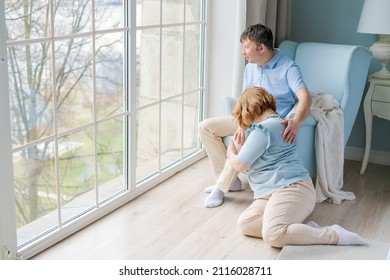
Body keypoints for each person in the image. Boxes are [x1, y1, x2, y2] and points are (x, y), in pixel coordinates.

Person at [204, 86, 366, 248]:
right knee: (246, 224)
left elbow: (240, 164)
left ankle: (333, 235)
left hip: (292, 189)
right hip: (271, 194)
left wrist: (231, 153)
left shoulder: (263, 130)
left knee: (273, 236)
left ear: (249, 110)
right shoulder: (280, 122)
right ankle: (301, 231)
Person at [199, 23, 312, 193]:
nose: (243, 52)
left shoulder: (289, 68)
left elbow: (305, 97)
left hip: (270, 126)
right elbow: (245, 99)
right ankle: (231, 182)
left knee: (239, 141)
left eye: (246, 47)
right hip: (249, 120)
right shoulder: (250, 67)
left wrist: (296, 121)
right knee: (206, 127)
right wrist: (242, 124)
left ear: (260, 48)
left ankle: (220, 188)